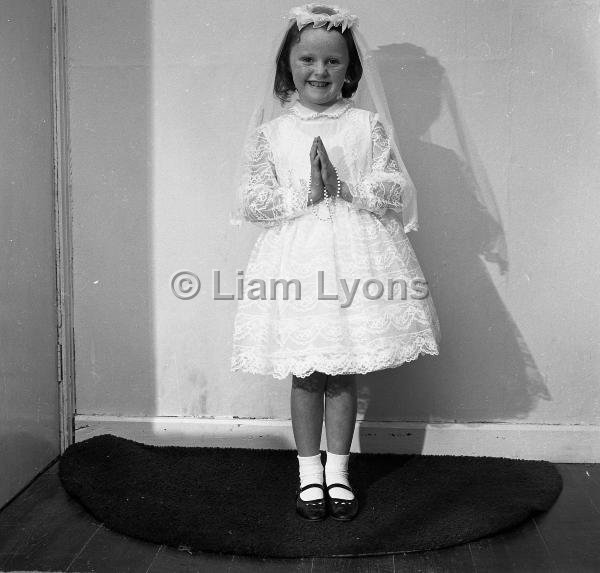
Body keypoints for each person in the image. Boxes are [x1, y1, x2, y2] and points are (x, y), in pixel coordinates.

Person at [230, 3, 441, 521]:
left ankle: (339, 471)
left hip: (354, 260)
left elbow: (394, 189)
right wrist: (305, 193)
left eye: (333, 62)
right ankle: (307, 473)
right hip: (297, 264)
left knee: (343, 371)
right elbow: (250, 198)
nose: (319, 71)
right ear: (289, 66)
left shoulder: (367, 126)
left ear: (350, 69)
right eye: (307, 60)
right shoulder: (272, 133)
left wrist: (342, 187)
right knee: (307, 370)